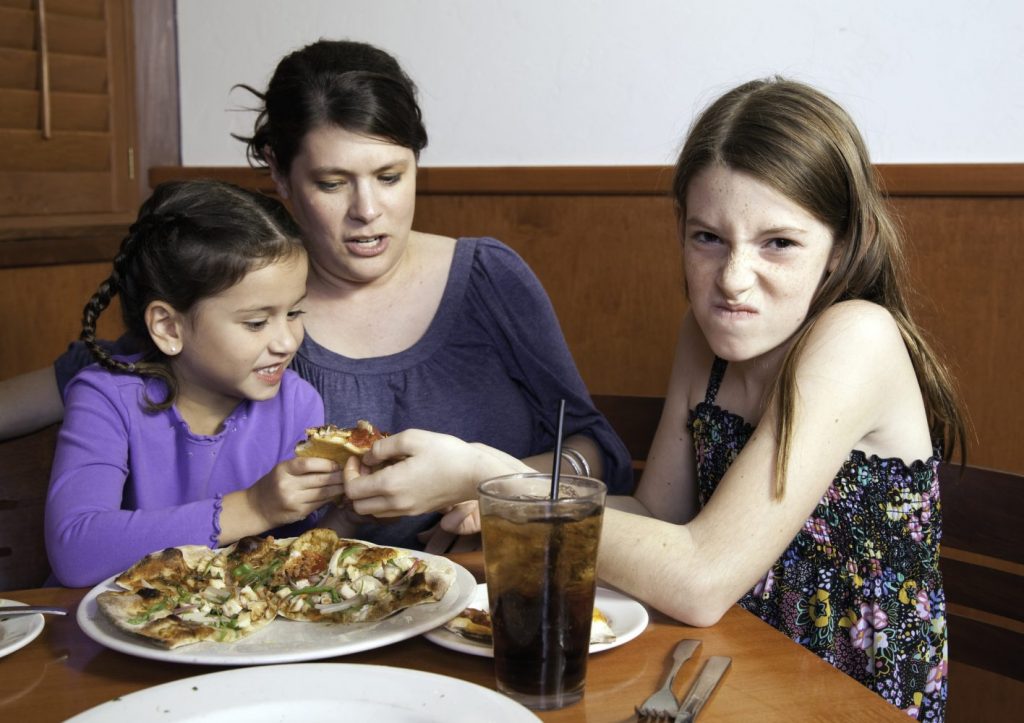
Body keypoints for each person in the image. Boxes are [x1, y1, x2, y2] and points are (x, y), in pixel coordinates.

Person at [344, 78, 966, 720]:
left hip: (846, 697)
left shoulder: (856, 336)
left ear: (841, 247)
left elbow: (699, 580)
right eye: (708, 238)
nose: (732, 278)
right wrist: (492, 497)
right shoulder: (705, 339)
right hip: (730, 671)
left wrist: (491, 477)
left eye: (778, 243)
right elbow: (658, 514)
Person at [11, 39, 631, 550]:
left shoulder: (490, 279)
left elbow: (593, 445)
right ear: (280, 173)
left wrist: (503, 489)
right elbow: (114, 375)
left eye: (391, 177)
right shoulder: (241, 302)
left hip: (487, 594)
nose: (368, 212)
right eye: (332, 183)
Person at [46, 180, 345, 587]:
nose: (287, 341)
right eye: (256, 322)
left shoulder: (297, 403)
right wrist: (254, 507)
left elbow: (295, 560)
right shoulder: (106, 398)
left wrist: (353, 510)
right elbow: (75, 552)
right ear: (169, 327)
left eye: (294, 313)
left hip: (236, 638)